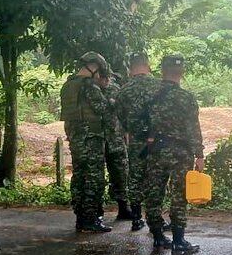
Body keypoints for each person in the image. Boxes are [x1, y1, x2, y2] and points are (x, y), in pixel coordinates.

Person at [142, 55, 204, 254]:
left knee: (154, 193)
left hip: (156, 150)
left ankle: (158, 238)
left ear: (162, 71)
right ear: (181, 72)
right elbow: (194, 129)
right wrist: (199, 155)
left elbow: (137, 123)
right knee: (179, 196)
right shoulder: (186, 98)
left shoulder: (149, 96)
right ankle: (179, 241)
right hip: (180, 153)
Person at [59, 52, 113, 233]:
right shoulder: (89, 86)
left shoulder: (68, 86)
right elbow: (103, 109)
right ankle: (90, 220)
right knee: (94, 178)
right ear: (94, 67)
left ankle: (80, 218)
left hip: (76, 138)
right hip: (92, 139)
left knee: (79, 176)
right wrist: (109, 96)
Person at [116, 52, 161, 232]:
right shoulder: (159, 86)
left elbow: (121, 118)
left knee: (135, 178)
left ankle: (136, 218)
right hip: (157, 141)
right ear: (147, 65)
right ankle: (156, 220)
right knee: (156, 178)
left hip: (136, 141)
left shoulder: (124, 91)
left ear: (130, 67)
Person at [98, 69, 133, 223]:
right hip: (99, 137)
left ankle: (123, 208)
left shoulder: (113, 88)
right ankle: (98, 210)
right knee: (98, 175)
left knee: (120, 174)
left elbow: (122, 111)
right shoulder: (92, 87)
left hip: (114, 137)